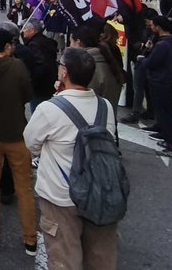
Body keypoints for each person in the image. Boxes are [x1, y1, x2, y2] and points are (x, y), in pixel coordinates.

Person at [24, 48, 120, 269]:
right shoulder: (105, 106)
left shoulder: (50, 108)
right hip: (100, 194)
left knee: (64, 259)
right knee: (100, 258)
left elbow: (31, 143)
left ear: (64, 72)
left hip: (61, 197)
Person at [0, 28, 38, 257]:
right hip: (16, 133)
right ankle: (30, 239)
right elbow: (27, 95)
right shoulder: (17, 67)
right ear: (7, 46)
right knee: (24, 189)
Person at [143, 14, 172, 157]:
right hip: (168, 81)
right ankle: (168, 139)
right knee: (166, 112)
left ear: (159, 27)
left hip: (160, 81)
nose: (151, 27)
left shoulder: (162, 45)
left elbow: (150, 63)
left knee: (166, 114)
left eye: (153, 25)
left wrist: (144, 56)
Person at [19, 19, 60, 110]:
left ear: (32, 30)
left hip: (40, 89)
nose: (22, 30)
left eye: (25, 28)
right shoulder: (43, 41)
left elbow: (40, 67)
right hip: (49, 85)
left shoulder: (35, 46)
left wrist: (32, 83)